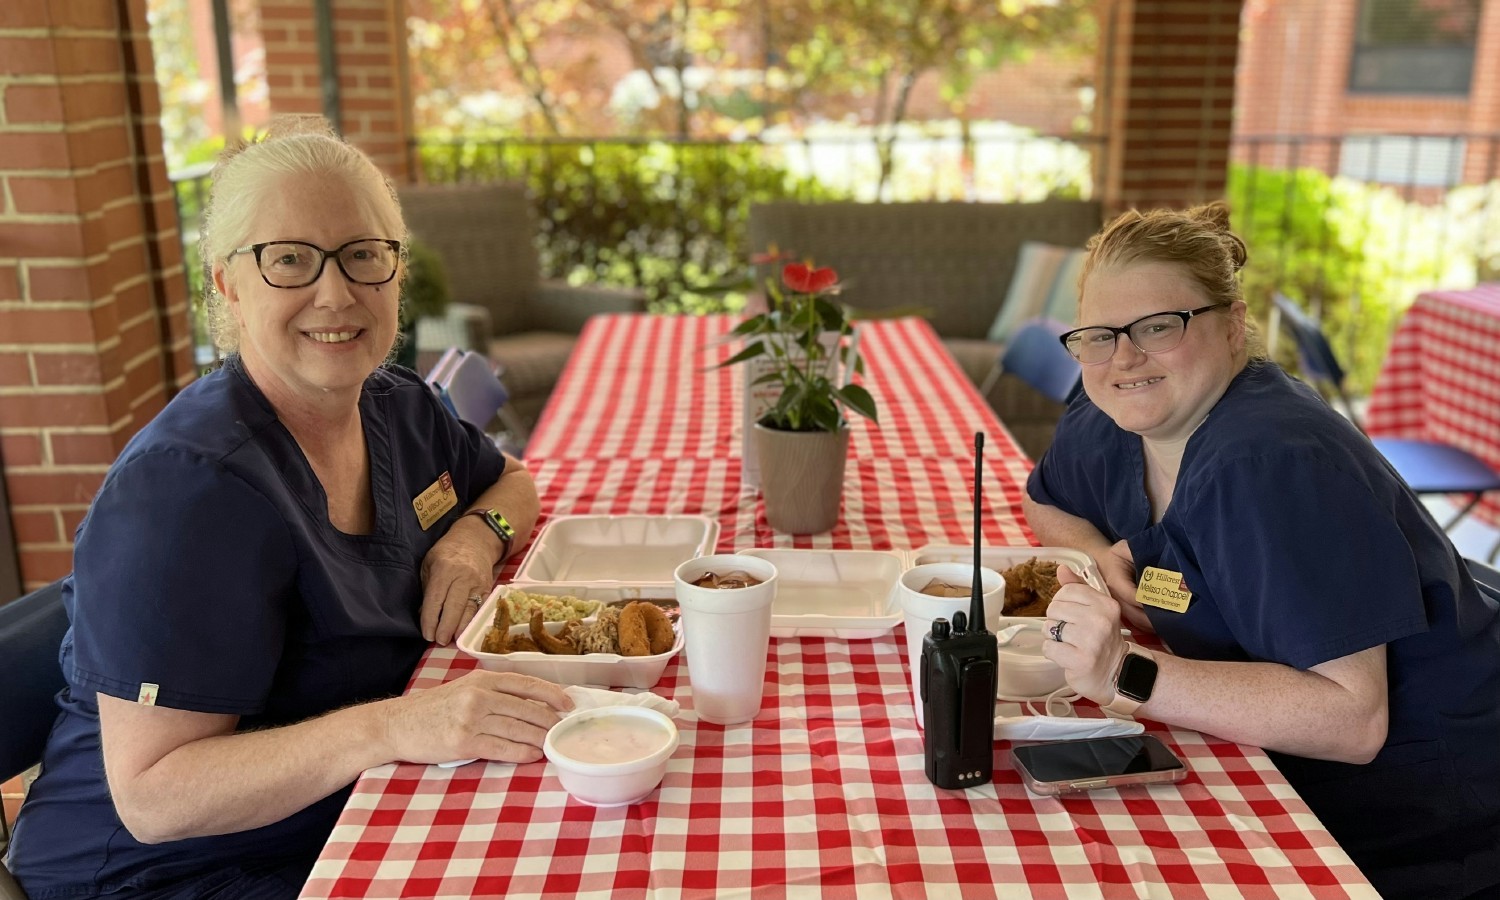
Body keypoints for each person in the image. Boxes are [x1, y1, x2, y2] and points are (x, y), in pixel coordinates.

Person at [8, 117, 573, 899]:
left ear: (396, 271)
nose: (335, 293)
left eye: (363, 255)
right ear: (227, 283)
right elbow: (154, 798)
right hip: (170, 873)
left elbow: (512, 477)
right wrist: (400, 726)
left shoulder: (399, 405)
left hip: (345, 813)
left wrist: (476, 538)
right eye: (289, 260)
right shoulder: (184, 493)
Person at [1024, 203, 1500, 900]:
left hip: (1429, 803)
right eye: (1098, 335)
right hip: (1277, 755)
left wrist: (1126, 671)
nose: (1123, 357)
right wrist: (1106, 565)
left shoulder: (1270, 462)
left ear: (1232, 324)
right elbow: (1046, 499)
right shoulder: (1116, 414)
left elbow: (1352, 721)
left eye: (1159, 327)